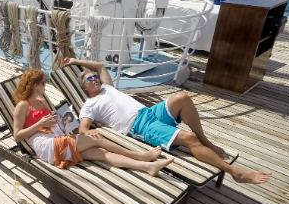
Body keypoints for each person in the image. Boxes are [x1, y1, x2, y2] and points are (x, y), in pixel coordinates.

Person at [62, 57, 271, 184]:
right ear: (84, 88)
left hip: (150, 112)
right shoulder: (89, 105)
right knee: (189, 138)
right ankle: (234, 172)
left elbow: (100, 66)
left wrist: (75, 62)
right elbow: (83, 129)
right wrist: (87, 132)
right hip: (140, 126)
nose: (95, 79)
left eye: (94, 77)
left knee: (182, 97)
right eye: (89, 79)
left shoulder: (107, 87)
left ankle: (206, 142)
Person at [12, 69, 174, 176]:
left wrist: (61, 121)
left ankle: (148, 167)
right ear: (35, 85)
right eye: (43, 83)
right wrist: (39, 124)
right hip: (46, 146)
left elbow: (53, 123)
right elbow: (17, 136)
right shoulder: (23, 105)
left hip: (58, 139)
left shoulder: (42, 101)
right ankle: (141, 156)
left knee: (102, 153)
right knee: (97, 139)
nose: (45, 86)